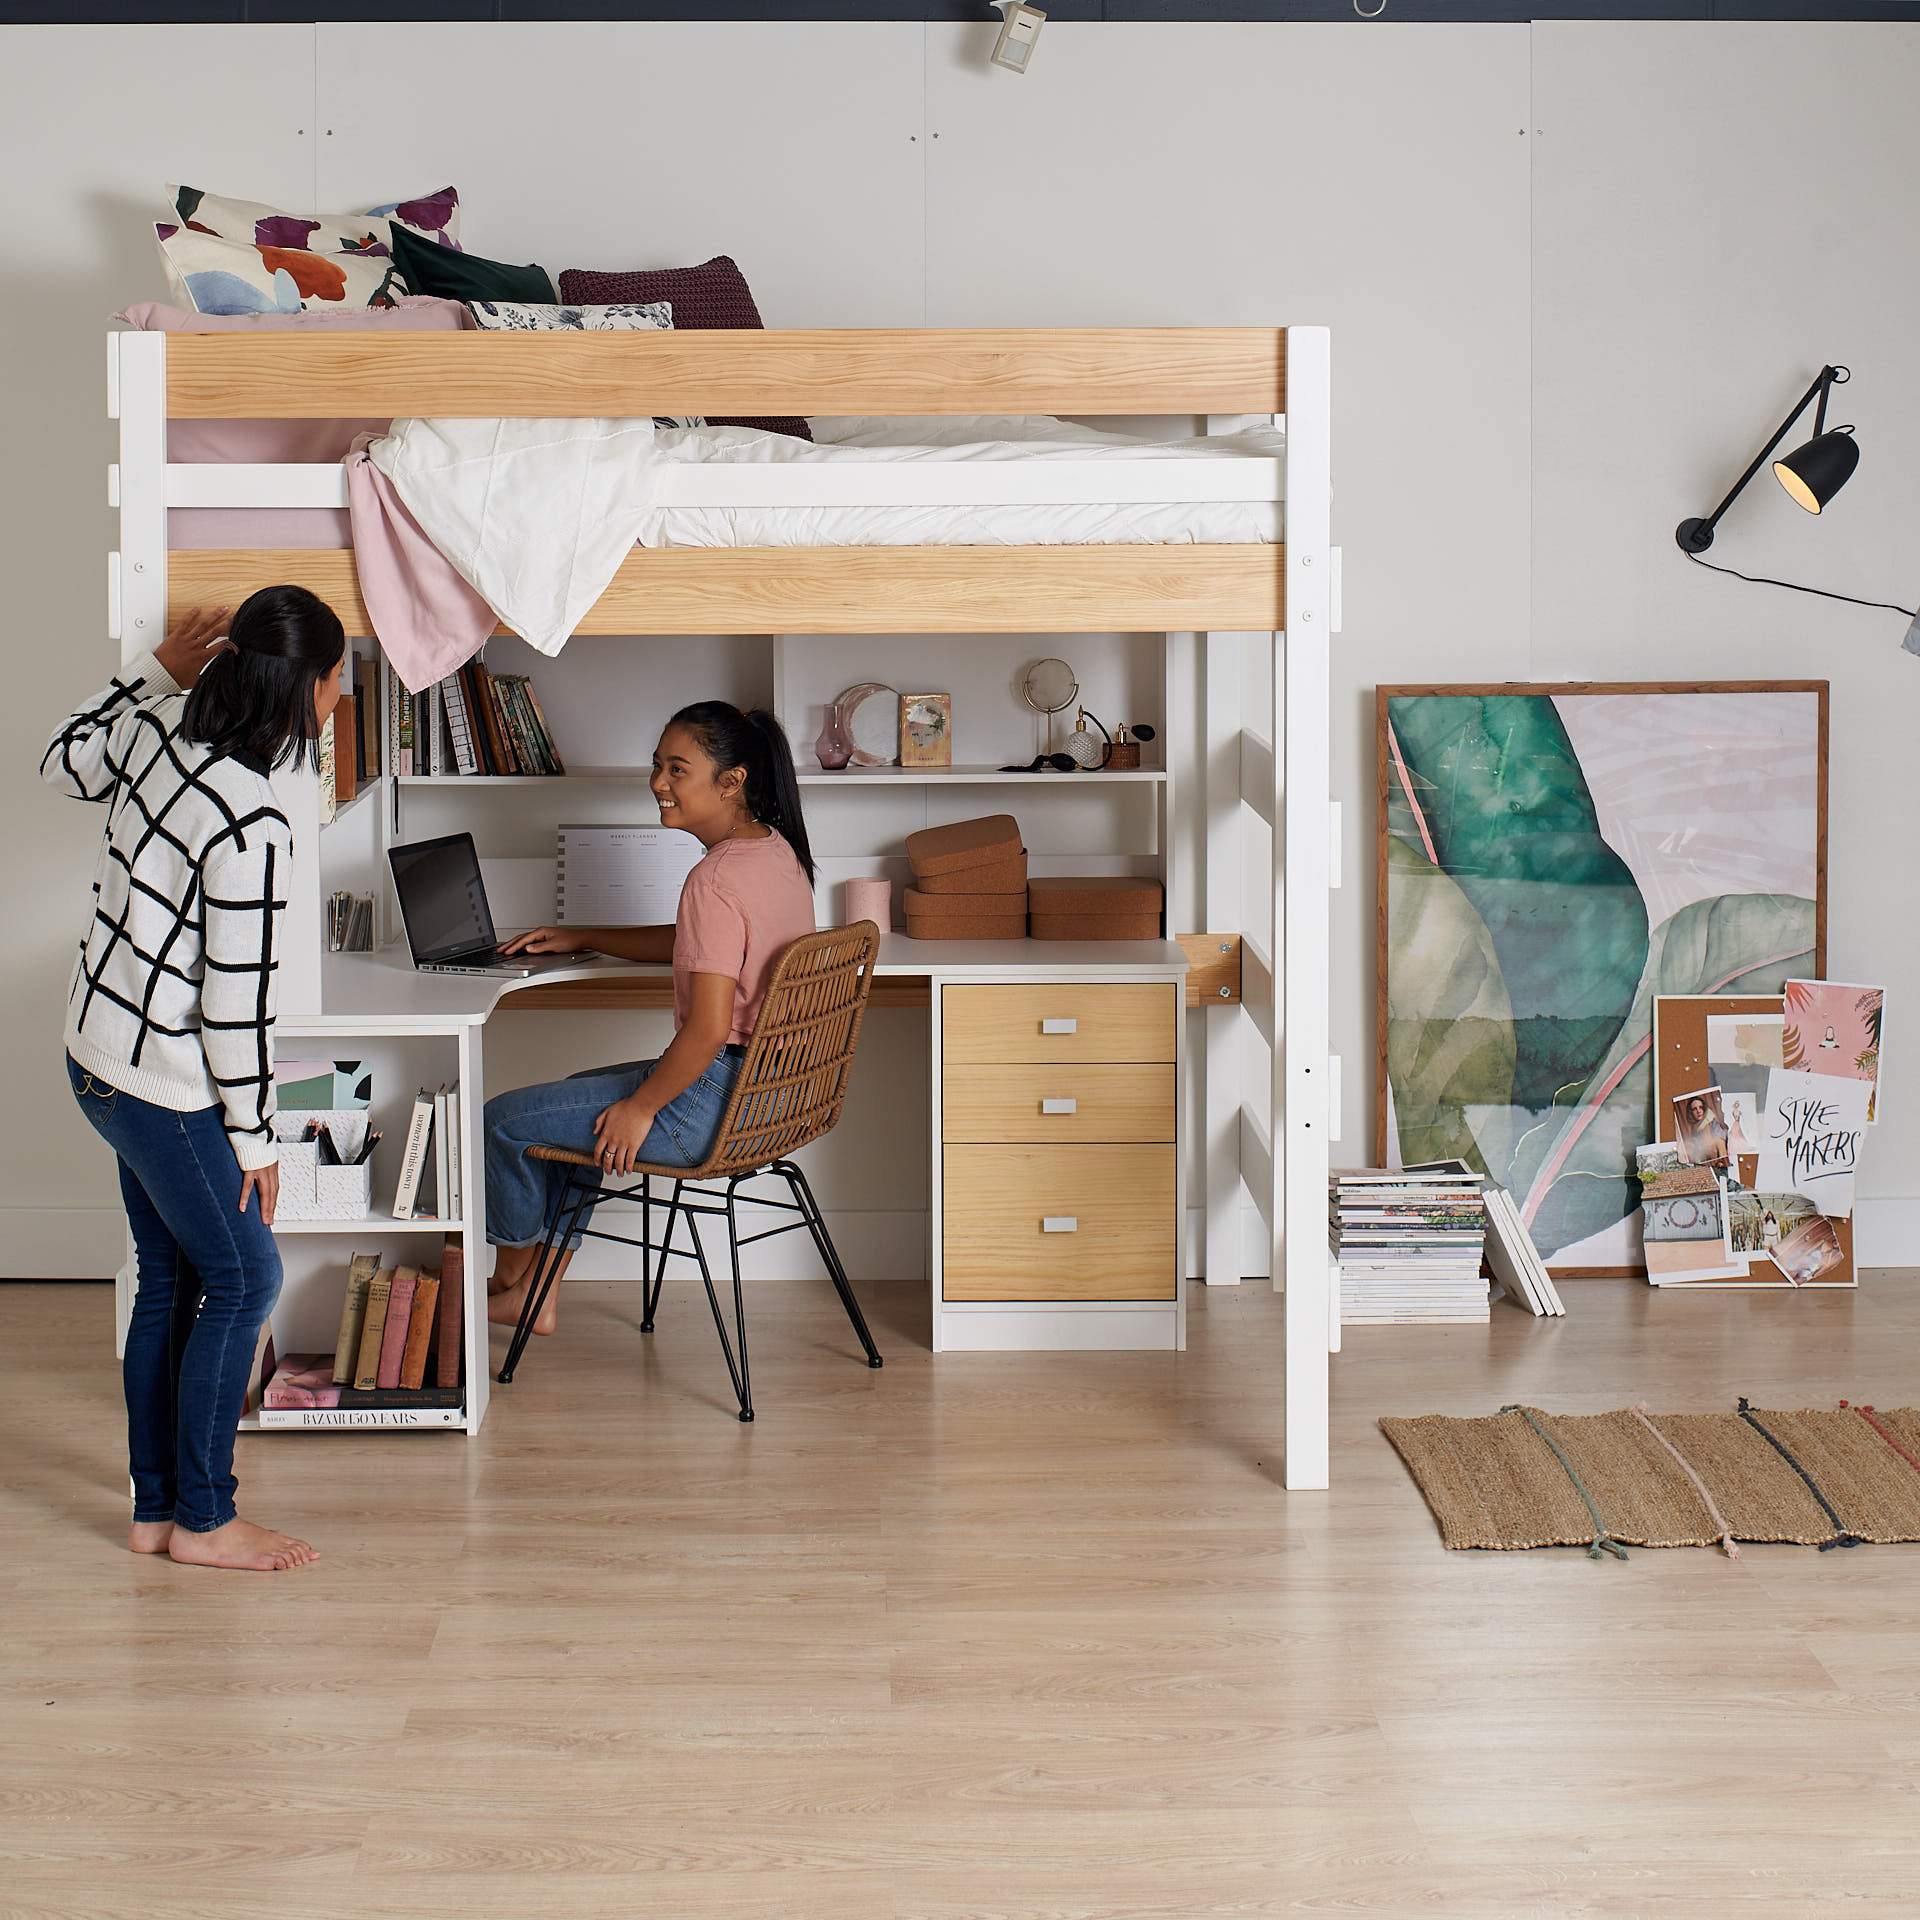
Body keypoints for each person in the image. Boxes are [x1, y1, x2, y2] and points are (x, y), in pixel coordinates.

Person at [46, 589, 345, 1573]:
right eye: (339, 679)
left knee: (174, 1279)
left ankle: (156, 1514)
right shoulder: (252, 823)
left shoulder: (158, 734)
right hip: (159, 1088)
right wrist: (258, 1146)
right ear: (307, 689)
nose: (341, 696)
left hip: (97, 1060)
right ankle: (206, 1522)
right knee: (246, 1274)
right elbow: (236, 1007)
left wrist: (157, 673)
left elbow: (62, 759)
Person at [484, 703, 818, 1336]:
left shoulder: (712, 878)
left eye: (677, 768)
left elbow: (708, 1030)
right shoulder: (777, 852)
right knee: (571, 1096)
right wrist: (588, 935)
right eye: (656, 765)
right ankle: (538, 1296)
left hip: (712, 1103)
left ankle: (511, 1283)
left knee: (501, 1122)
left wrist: (642, 1108)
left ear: (731, 781)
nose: (658, 782)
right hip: (771, 1094)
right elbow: (705, 945)